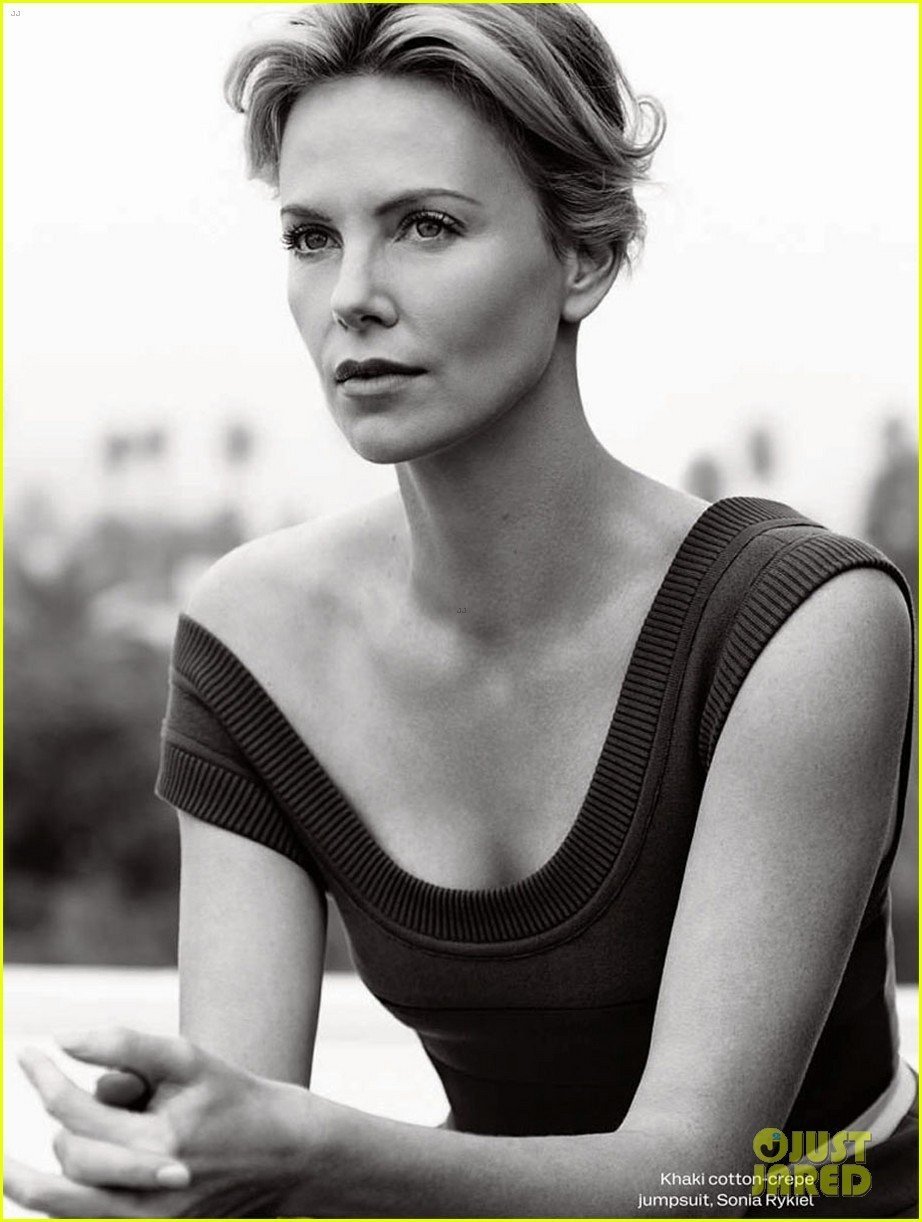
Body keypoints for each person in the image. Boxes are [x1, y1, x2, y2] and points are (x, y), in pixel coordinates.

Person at [6, 4, 916, 1217]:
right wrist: (170, 1168)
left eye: (426, 226)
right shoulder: (256, 636)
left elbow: (691, 1175)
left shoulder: (797, 622)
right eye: (311, 237)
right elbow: (237, 1131)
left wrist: (309, 1158)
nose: (352, 296)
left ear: (583, 257)